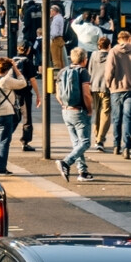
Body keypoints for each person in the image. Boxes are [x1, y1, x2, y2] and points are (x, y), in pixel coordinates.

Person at [55, 46, 95, 182]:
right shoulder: (83, 72)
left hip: (66, 110)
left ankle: (82, 171)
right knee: (85, 142)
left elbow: (58, 94)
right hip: (79, 111)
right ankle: (66, 162)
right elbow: (86, 94)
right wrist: (89, 109)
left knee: (76, 142)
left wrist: (64, 105)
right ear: (84, 59)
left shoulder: (62, 72)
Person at [105, 31, 131, 156]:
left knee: (116, 118)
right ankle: (126, 147)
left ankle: (116, 145)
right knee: (128, 118)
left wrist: (108, 84)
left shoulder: (113, 51)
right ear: (129, 39)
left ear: (119, 39)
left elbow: (109, 70)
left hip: (116, 88)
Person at [87, 35, 116, 147]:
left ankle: (96, 134)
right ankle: (100, 138)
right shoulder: (111, 56)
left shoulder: (94, 55)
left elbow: (89, 70)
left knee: (97, 112)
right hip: (106, 87)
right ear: (109, 45)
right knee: (105, 113)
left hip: (94, 86)